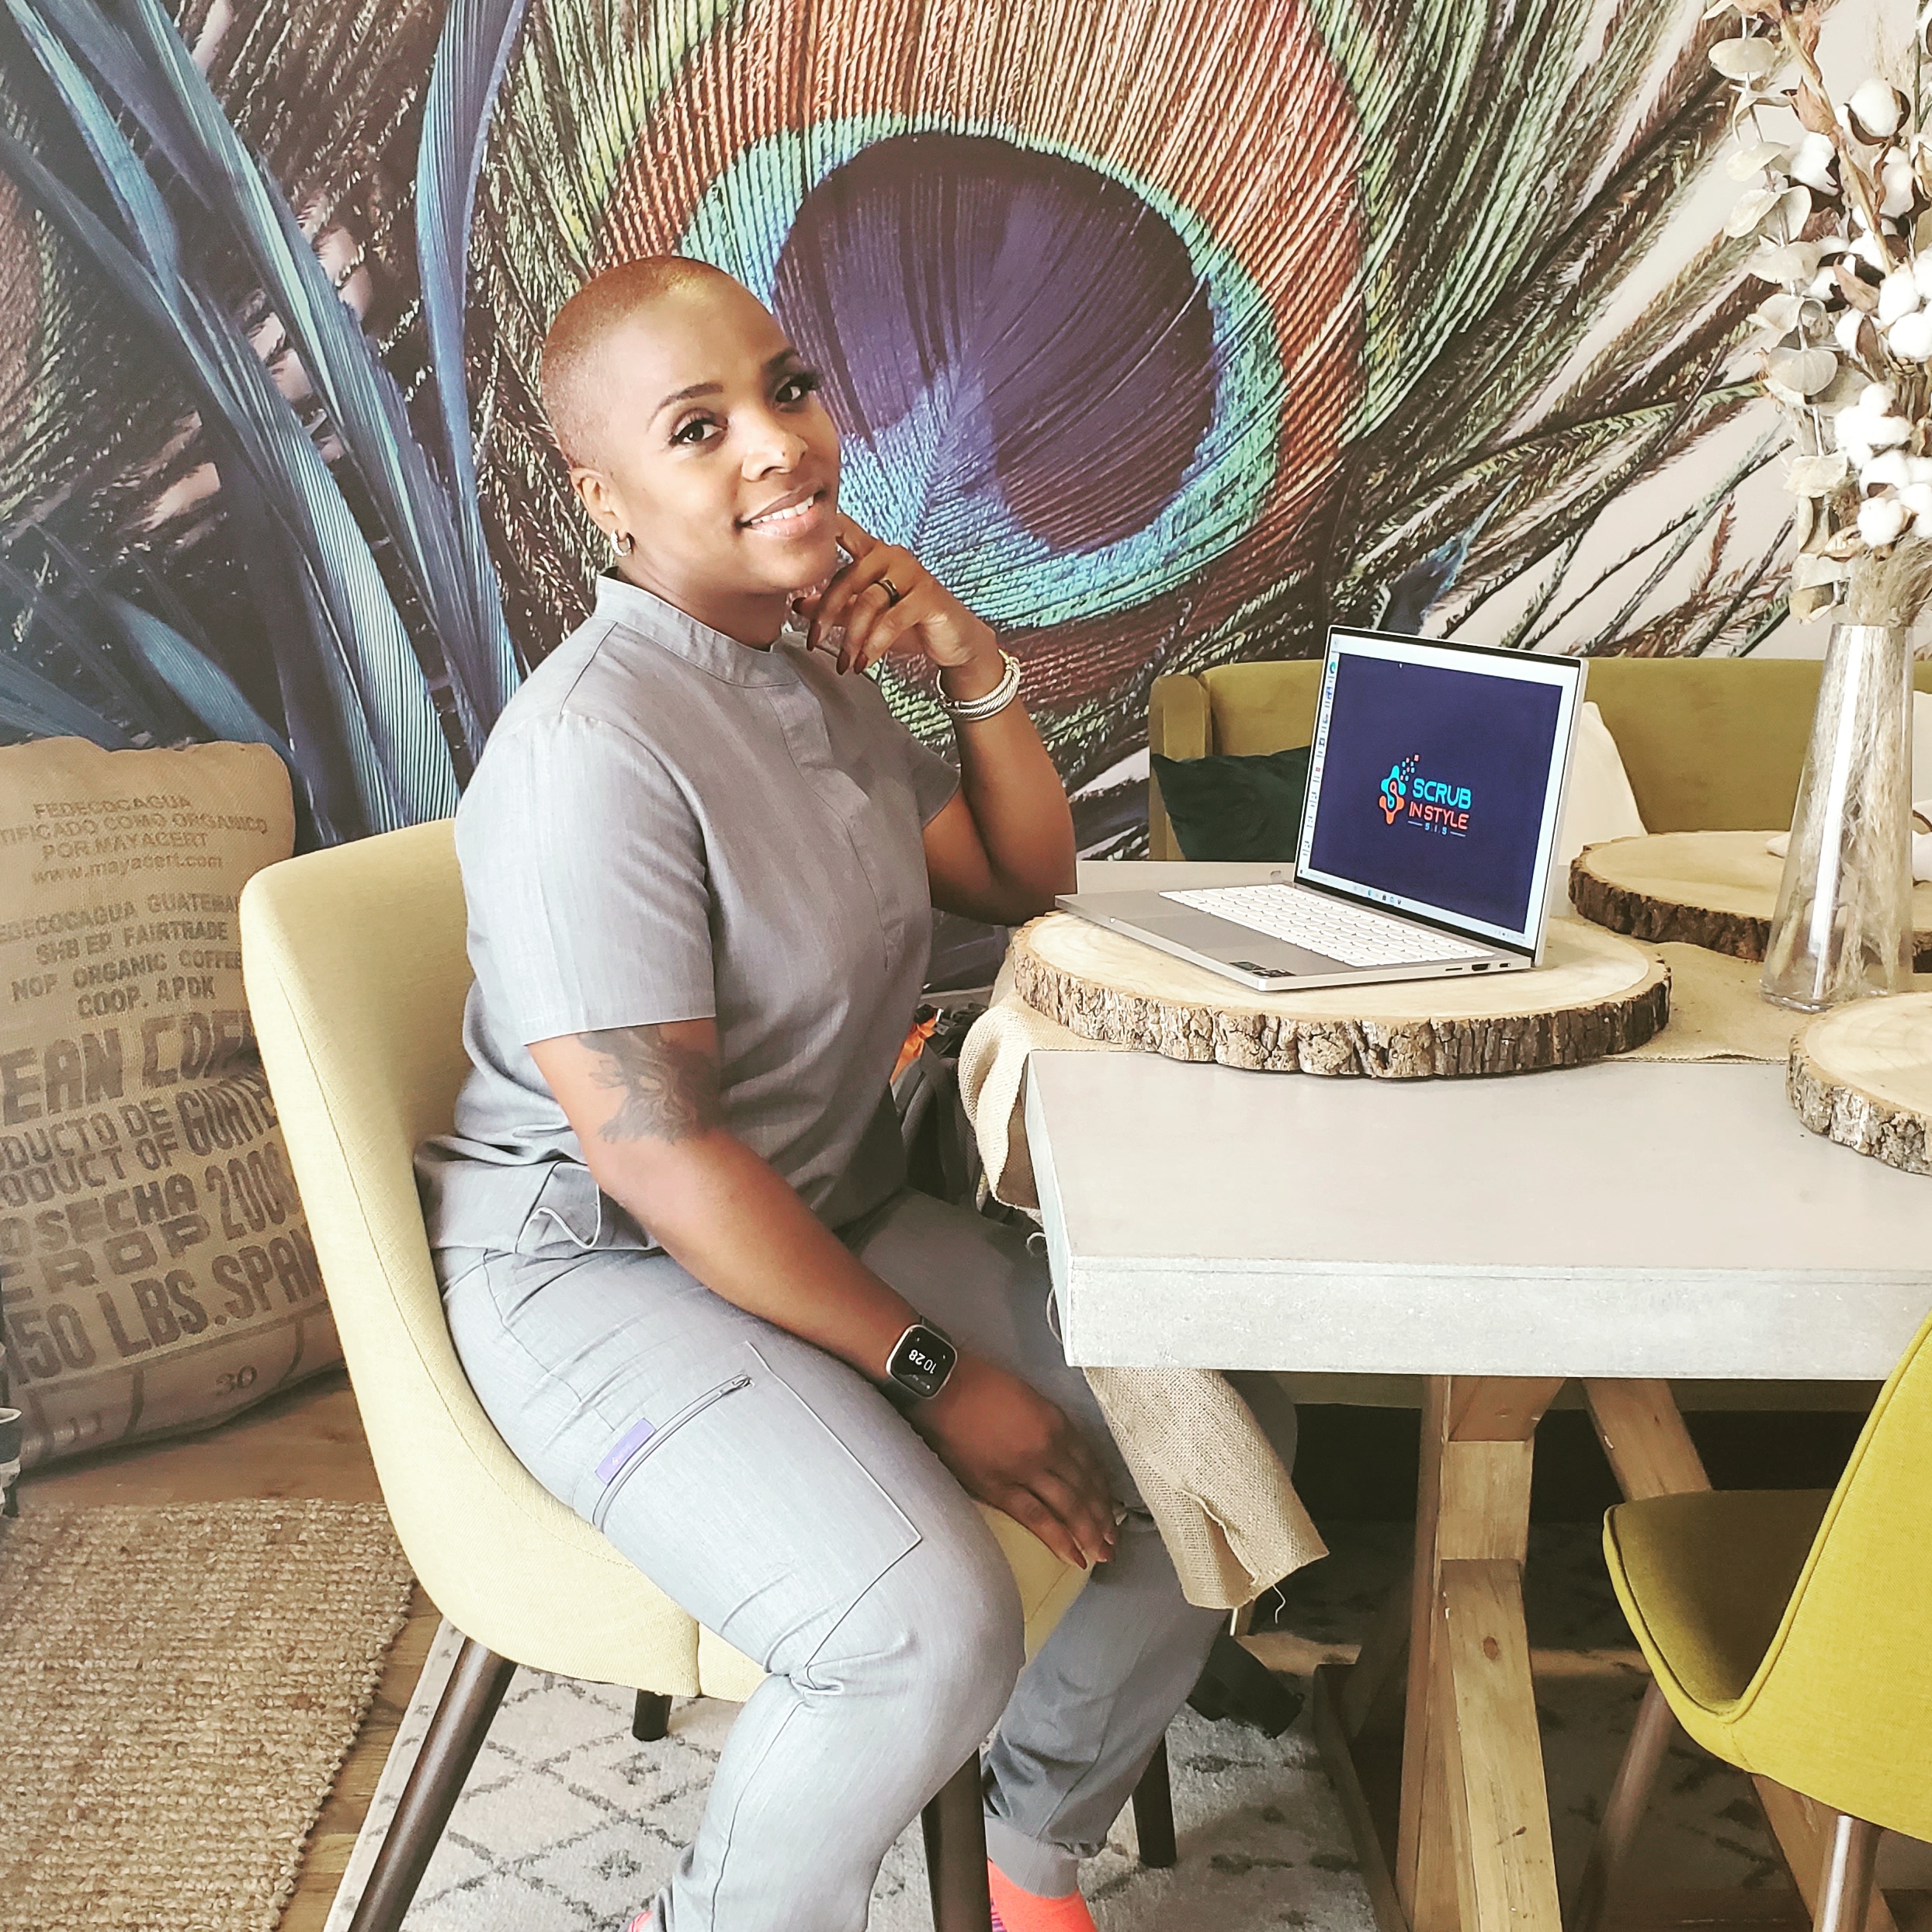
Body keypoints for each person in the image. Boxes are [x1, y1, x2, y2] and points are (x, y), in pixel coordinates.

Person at [417, 256, 1280, 1932]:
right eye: (698, 428)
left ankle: (1024, 1858)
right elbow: (658, 1158)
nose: (778, 443)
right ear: (603, 498)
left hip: (814, 1215)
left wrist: (970, 659)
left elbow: (1021, 878)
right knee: (916, 1631)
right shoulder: (593, 746)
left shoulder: (808, 674)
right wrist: (940, 1377)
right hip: (599, 1267)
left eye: (788, 387)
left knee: (1214, 1444)